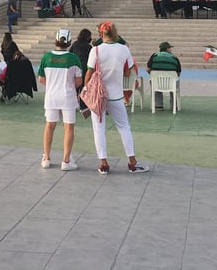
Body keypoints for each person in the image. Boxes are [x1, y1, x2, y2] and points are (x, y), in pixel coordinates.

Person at [85, 21, 149, 175]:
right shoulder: (124, 49)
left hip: (99, 96)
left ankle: (104, 164)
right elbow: (128, 72)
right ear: (115, 33)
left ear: (101, 34)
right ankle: (132, 162)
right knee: (124, 127)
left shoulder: (96, 50)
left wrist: (87, 89)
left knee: (98, 130)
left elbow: (89, 72)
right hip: (116, 95)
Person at [38, 29, 83, 171]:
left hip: (51, 96)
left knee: (49, 126)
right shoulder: (73, 58)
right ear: (69, 42)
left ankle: (46, 158)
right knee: (69, 128)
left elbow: (41, 79)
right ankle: (66, 160)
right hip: (67, 96)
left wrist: (52, 83)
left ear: (55, 40)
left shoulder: (46, 57)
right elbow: (78, 81)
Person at [147, 42, 182, 110]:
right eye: (170, 48)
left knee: (155, 80)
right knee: (174, 81)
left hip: (157, 83)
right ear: (167, 49)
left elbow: (148, 69)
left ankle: (158, 105)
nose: (171, 50)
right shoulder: (174, 58)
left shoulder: (154, 56)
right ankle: (174, 106)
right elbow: (178, 74)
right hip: (171, 83)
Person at [70, 28, 93, 119]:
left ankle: (72, 105)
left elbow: (70, 53)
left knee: (74, 88)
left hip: (75, 68)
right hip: (84, 68)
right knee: (84, 88)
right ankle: (83, 107)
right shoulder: (88, 47)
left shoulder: (75, 44)